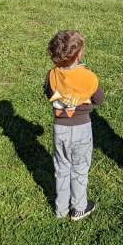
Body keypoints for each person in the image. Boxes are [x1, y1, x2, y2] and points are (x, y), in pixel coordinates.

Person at [44, 30, 103, 220]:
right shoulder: (89, 77)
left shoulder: (51, 75)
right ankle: (79, 208)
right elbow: (99, 99)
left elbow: (49, 93)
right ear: (79, 54)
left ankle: (60, 210)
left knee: (62, 168)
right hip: (81, 129)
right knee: (79, 169)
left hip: (60, 128)